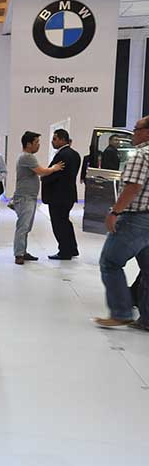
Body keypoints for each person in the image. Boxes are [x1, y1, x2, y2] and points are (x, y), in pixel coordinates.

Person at [95, 116, 149, 329]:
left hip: (136, 218)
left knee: (110, 262)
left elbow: (133, 187)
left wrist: (115, 212)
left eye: (137, 129)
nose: (133, 133)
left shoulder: (141, 155)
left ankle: (121, 313)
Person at [12, 131, 64, 265]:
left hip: (29, 197)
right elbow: (41, 171)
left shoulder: (27, 157)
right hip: (25, 198)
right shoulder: (27, 157)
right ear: (28, 144)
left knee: (26, 227)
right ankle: (19, 254)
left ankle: (22, 251)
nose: (38, 145)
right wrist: (54, 168)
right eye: (36, 142)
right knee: (23, 227)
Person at [41, 129, 82, 260]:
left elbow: (55, 174)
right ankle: (72, 248)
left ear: (63, 140)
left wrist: (43, 177)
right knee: (65, 222)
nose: (52, 142)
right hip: (69, 194)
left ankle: (64, 251)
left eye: (55, 139)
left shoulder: (62, 155)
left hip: (58, 196)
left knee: (59, 224)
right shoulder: (75, 154)